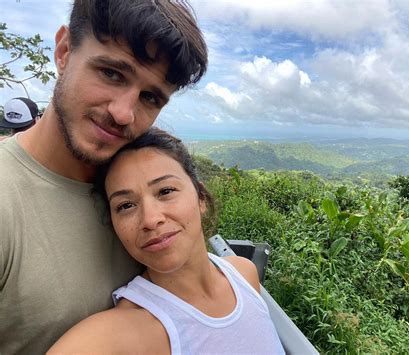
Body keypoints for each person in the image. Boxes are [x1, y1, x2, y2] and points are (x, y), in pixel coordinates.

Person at [0, 0, 207, 353]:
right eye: (112, 73)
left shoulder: (143, 189)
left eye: (150, 97)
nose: (124, 114)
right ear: (64, 51)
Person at [48, 129, 285, 354]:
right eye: (126, 206)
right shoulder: (121, 334)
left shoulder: (244, 274)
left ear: (200, 198)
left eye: (165, 191)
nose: (150, 219)